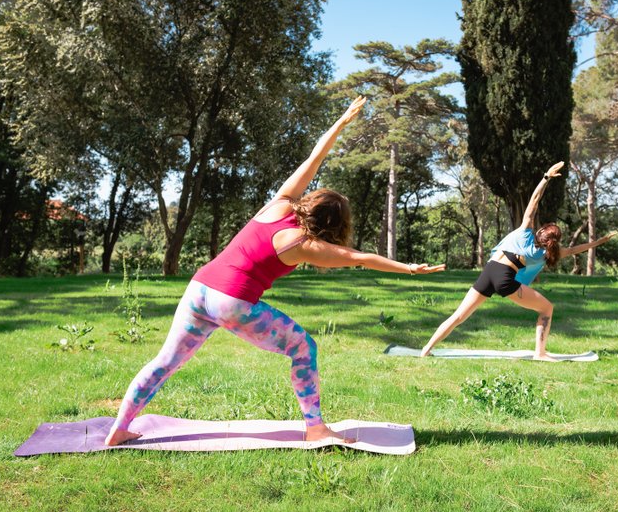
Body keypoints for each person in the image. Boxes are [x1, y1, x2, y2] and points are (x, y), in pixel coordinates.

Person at [105, 96, 445, 446]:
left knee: (165, 361)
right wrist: (408, 268)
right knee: (303, 347)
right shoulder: (304, 245)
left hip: (199, 288)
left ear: (311, 202)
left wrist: (342, 122)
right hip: (232, 301)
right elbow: (358, 257)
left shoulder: (279, 203)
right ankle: (315, 427)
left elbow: (315, 158)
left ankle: (119, 429)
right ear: (333, 225)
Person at [420, 161, 615, 361]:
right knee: (547, 308)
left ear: (540, 232)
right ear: (554, 242)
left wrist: (545, 177)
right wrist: (599, 242)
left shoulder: (524, 232)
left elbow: (534, 201)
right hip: (505, 278)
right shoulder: (544, 255)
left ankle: (426, 349)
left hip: (489, 271)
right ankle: (540, 353)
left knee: (458, 316)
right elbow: (576, 249)